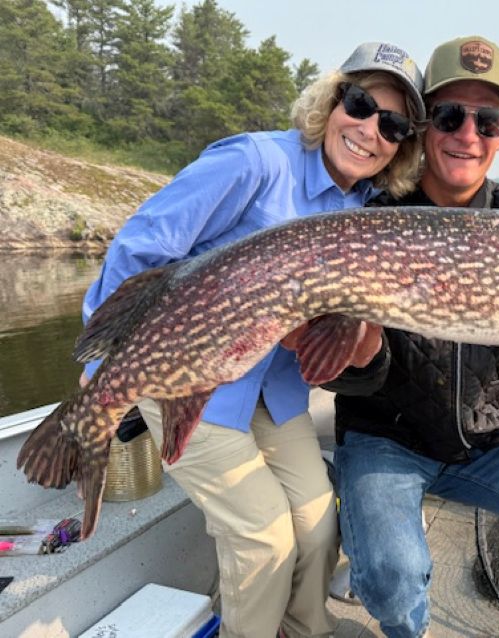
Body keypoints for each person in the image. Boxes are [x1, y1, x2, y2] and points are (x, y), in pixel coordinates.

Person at [79, 41, 429, 638]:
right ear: (333, 100)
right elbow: (141, 247)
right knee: (264, 537)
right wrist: (103, 373)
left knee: (318, 527)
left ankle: (303, 631)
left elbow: (451, 206)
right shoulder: (253, 161)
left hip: (275, 394)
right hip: (187, 380)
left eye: (393, 126)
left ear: (402, 146)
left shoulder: (363, 203)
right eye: (360, 104)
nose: (370, 130)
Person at [323, 36, 499, 637]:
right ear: (425, 125)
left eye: (487, 120)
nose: (468, 135)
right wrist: (362, 351)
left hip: (487, 434)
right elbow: (345, 376)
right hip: (386, 438)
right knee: (392, 575)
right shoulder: (373, 220)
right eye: (450, 116)